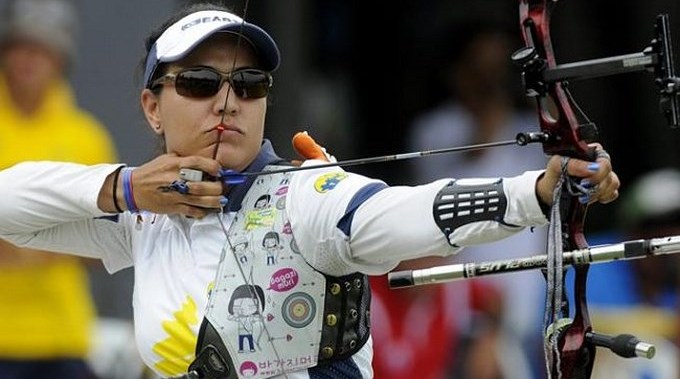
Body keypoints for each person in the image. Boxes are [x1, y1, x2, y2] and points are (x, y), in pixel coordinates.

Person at [0, 3, 619, 379]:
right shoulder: (147, 217)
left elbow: (404, 213)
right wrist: (129, 187)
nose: (226, 101)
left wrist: (539, 190)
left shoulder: (309, 198)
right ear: (151, 107)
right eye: (198, 81)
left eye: (248, 84)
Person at [395, 20, 550, 378]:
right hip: (464, 306)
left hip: (531, 295)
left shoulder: (533, 127)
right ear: (457, 72)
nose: (490, 82)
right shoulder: (434, 128)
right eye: (480, 71)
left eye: (498, 71)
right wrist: (486, 123)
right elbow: (431, 203)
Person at [0, 0, 119, 378]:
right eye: (20, 48)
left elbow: (114, 240)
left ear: (60, 60)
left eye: (42, 51)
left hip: (65, 335)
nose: (28, 61)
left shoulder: (87, 137)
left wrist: (56, 243)